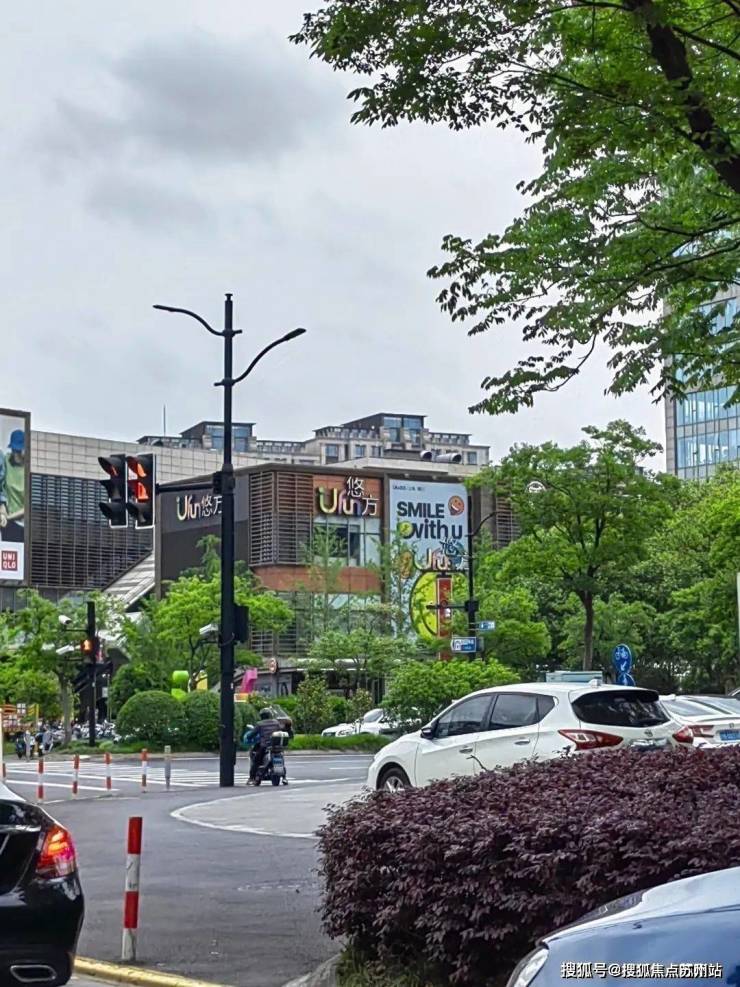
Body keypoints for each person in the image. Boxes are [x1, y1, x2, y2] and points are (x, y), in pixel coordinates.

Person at [0, 429, 25, 542]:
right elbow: (2, 488)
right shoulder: (6, 460)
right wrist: (2, 511)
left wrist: (8, 517)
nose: (16, 454)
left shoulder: (29, 469)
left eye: (19, 451)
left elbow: (28, 508)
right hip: (8, 524)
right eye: (14, 450)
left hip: (23, 525)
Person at [244, 708, 280, 785]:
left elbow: (252, 734)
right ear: (270, 715)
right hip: (276, 745)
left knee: (256, 760)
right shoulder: (276, 722)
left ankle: (251, 778)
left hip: (265, 746)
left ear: (261, 716)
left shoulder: (260, 724)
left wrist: (248, 736)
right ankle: (284, 777)